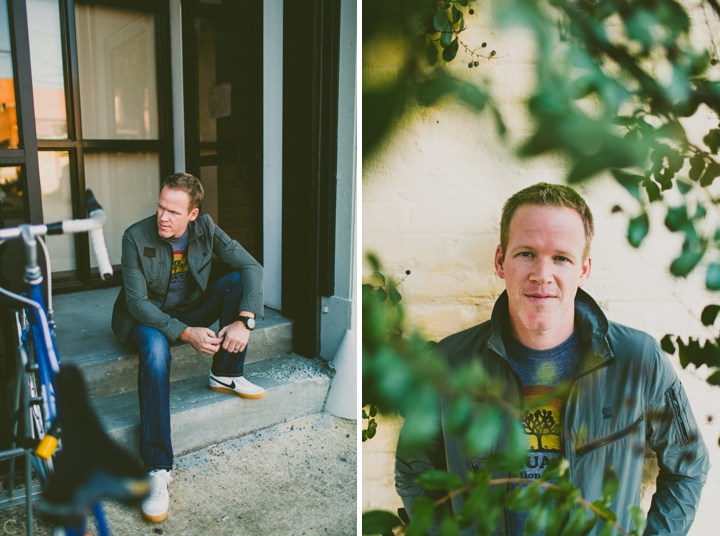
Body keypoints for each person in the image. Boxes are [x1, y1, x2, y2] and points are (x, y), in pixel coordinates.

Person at [395, 183, 710, 535]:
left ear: (584, 269)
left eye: (561, 257)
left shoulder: (638, 359)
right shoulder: (451, 360)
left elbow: (688, 465)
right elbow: (413, 467)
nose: (542, 274)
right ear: (500, 261)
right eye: (526, 253)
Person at [111, 172, 264, 522]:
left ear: (192, 214)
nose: (163, 217)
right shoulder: (135, 236)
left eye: (174, 212)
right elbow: (136, 303)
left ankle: (225, 373)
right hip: (143, 317)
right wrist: (185, 333)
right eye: (160, 207)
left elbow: (251, 265)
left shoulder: (206, 228)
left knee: (238, 281)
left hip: (186, 307)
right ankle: (157, 469)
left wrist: (245, 320)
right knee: (156, 350)